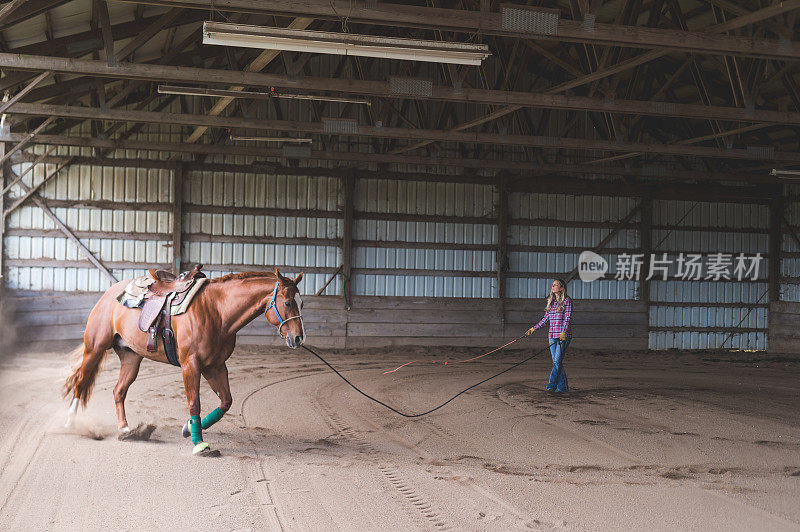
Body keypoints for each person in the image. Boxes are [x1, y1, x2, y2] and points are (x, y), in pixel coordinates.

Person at [526, 279, 572, 394]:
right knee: (557, 362)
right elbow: (545, 319)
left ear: (561, 288)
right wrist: (533, 328)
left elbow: (567, 318)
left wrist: (563, 332)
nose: (553, 286)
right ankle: (563, 388)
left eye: (555, 285)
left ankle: (550, 386)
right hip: (552, 335)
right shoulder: (551, 303)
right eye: (552, 285)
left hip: (562, 336)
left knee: (556, 362)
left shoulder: (567, 301)